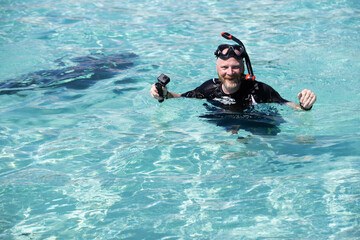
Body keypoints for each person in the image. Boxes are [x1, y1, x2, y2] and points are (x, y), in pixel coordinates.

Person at [150, 33, 316, 112]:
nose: (230, 72)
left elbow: (291, 107)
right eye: (224, 68)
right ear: (217, 68)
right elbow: (180, 97)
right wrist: (162, 93)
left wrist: (304, 106)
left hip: (255, 124)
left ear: (243, 68)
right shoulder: (209, 88)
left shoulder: (259, 90)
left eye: (235, 67)